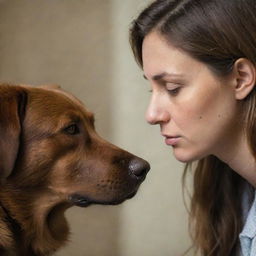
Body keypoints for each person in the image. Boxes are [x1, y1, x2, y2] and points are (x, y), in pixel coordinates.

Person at [129, 0, 256, 255]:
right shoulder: (230, 195)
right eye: (151, 89)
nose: (152, 115)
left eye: (173, 88)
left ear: (240, 78)